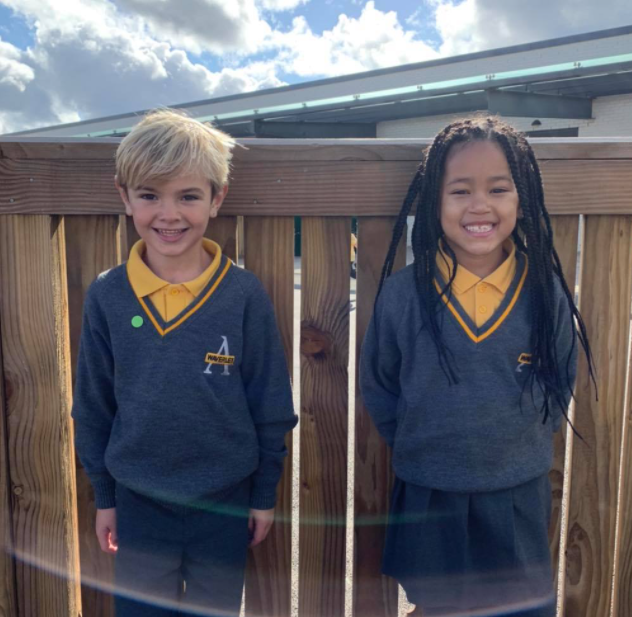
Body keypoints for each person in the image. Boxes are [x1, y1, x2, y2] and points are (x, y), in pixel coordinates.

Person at [360, 117, 594, 617]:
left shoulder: (544, 293)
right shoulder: (403, 294)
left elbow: (560, 383)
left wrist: (513, 445)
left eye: (498, 189)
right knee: (436, 607)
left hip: (516, 492)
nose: (479, 205)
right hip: (430, 491)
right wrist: (427, 446)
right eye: (460, 190)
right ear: (434, 202)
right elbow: (380, 386)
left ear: (521, 199)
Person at [72, 109, 297, 617]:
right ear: (125, 196)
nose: (169, 214)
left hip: (225, 501)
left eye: (188, 196)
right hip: (137, 503)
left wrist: (263, 493)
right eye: (150, 195)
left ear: (216, 199)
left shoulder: (243, 295)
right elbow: (92, 406)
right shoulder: (108, 296)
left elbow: (271, 404)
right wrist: (105, 496)